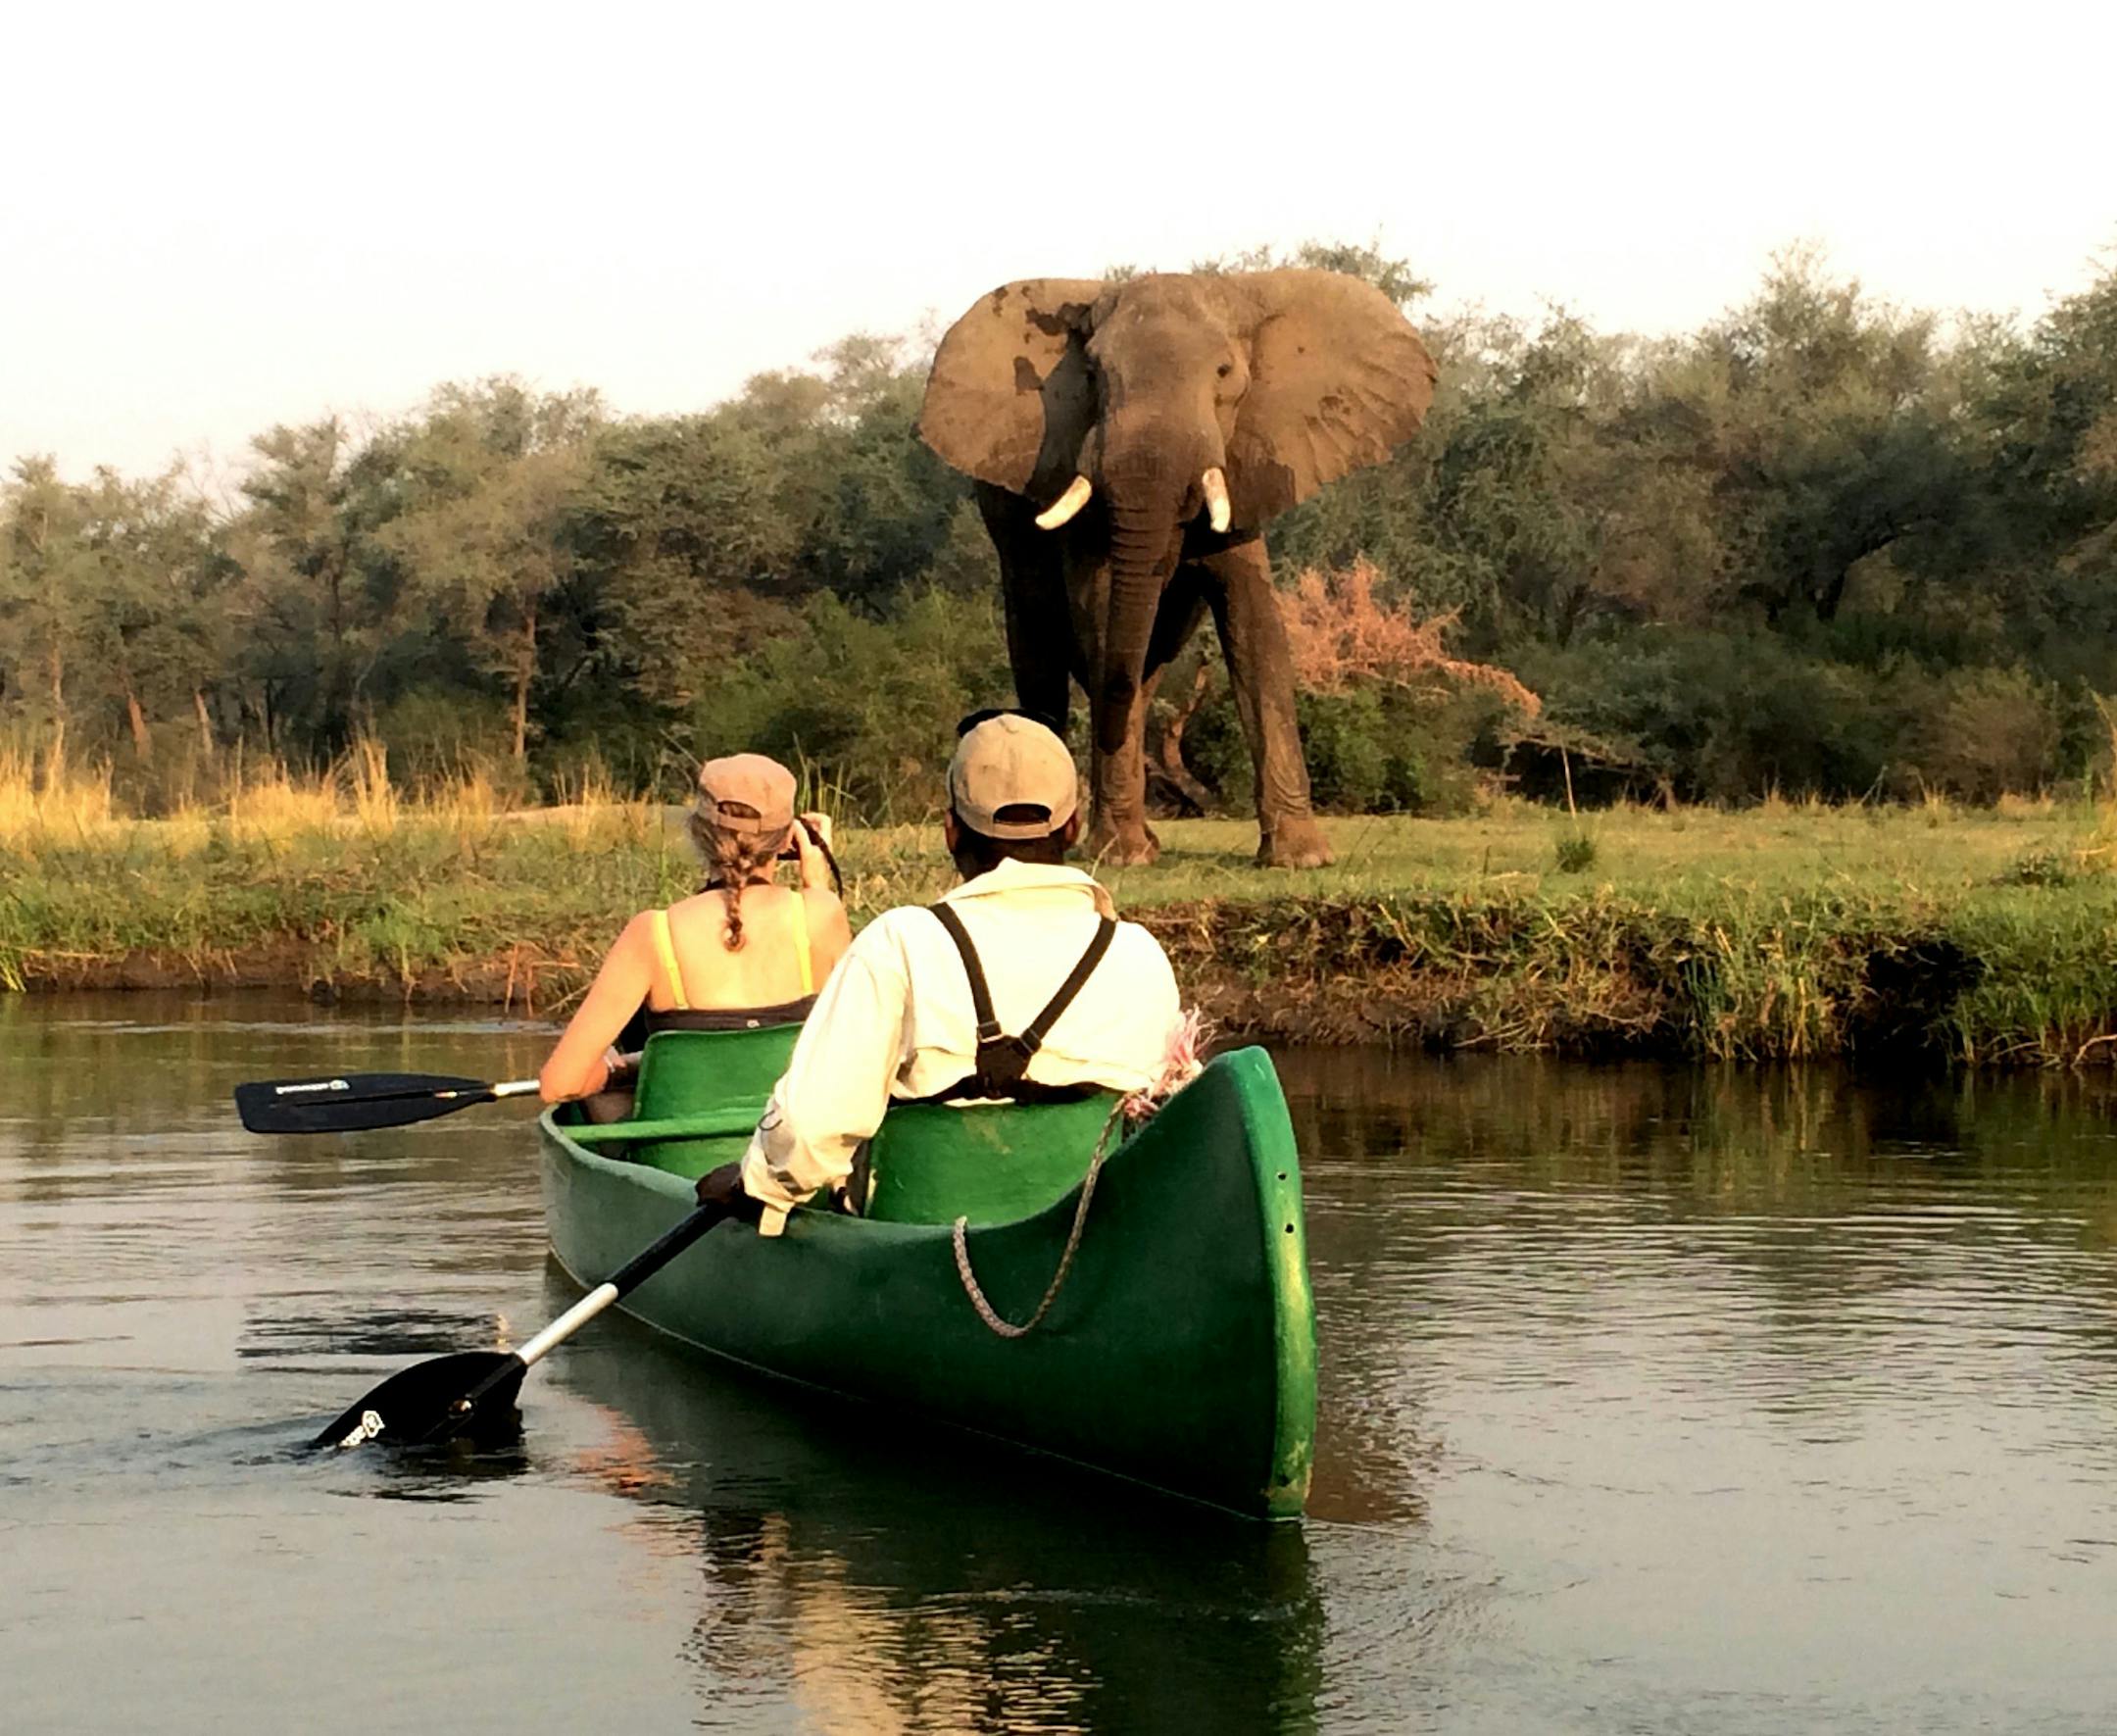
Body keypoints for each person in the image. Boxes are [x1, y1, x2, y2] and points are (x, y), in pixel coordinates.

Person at [697, 711, 1184, 1234]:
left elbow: (811, 1130)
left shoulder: (900, 942)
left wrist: (759, 1185)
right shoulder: (1139, 953)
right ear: (1074, 826)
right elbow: (1156, 1127)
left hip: (917, 1249)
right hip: (1085, 1249)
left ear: (950, 831)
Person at [538, 753, 852, 1103]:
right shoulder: (821, 913)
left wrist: (616, 1068)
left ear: (698, 831)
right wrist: (817, 883)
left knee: (602, 1104)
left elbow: (560, 1084)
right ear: (787, 840)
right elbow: (852, 1043)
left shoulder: (653, 933)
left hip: (683, 1156)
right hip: (789, 1145)